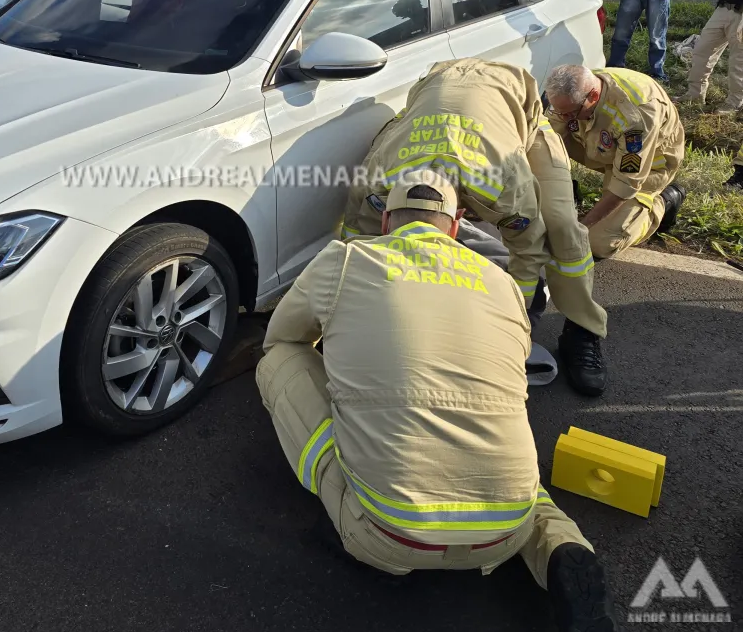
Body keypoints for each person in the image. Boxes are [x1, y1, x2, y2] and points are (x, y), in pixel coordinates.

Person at [256, 171, 618, 631]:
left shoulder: (345, 259)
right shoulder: (502, 282)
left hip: (390, 532)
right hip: (504, 533)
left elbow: (285, 337)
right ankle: (564, 552)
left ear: (386, 221)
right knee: (514, 475)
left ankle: (352, 506)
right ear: (455, 224)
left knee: (277, 361)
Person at [341, 58, 610, 396]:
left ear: (457, 224)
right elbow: (356, 240)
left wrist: (513, 328)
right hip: (435, 89)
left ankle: (583, 331)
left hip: (519, 117)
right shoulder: (376, 179)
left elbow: (527, 253)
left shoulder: (504, 185)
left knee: (561, 227)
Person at [544, 64, 686, 261]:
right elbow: (547, 139)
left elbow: (626, 184)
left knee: (599, 243)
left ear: (593, 96)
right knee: (546, 142)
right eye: (559, 110)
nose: (563, 118)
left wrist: (582, 227)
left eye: (569, 114)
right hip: (601, 145)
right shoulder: (572, 96)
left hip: (651, 161)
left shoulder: (636, 116)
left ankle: (664, 201)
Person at [676, 0, 743, 114]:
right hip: (724, 8)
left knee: (738, 61)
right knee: (702, 50)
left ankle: (735, 102)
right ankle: (694, 95)